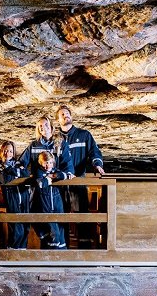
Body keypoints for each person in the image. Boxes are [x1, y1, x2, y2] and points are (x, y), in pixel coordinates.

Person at [18, 115, 74, 247]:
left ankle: (61, 253)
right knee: (43, 220)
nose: (44, 128)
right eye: (40, 126)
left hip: (58, 189)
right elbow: (22, 163)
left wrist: (66, 174)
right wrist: (30, 176)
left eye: (46, 124)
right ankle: (46, 253)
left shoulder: (60, 143)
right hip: (40, 190)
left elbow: (67, 163)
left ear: (51, 126)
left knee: (59, 222)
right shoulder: (33, 145)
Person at [56, 104, 106, 248]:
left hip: (78, 182)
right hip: (60, 183)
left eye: (67, 113)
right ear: (58, 120)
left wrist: (97, 165)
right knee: (60, 215)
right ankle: (62, 247)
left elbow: (94, 152)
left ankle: (84, 248)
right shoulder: (55, 138)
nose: (66, 116)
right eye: (62, 114)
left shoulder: (84, 135)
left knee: (81, 215)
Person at [0, 141, 30, 249]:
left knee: (25, 225)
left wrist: (10, 171)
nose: (8, 153)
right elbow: (5, 179)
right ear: (1, 152)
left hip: (23, 195)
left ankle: (22, 250)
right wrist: (17, 174)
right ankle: (12, 250)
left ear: (13, 152)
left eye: (10, 151)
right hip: (12, 196)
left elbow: (26, 174)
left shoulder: (18, 163)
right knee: (15, 226)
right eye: (5, 151)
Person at [35, 151, 68, 249]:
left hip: (57, 203)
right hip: (46, 203)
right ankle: (51, 255)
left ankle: (62, 254)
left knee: (61, 229)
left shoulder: (55, 170)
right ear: (41, 163)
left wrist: (53, 176)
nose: (48, 165)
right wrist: (50, 179)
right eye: (45, 163)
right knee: (53, 233)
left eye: (50, 162)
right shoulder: (39, 172)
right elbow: (40, 184)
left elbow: (64, 175)